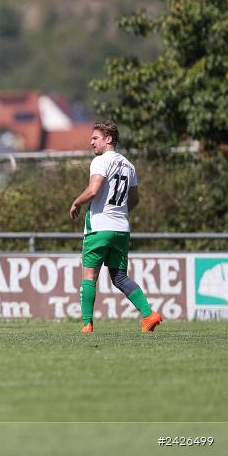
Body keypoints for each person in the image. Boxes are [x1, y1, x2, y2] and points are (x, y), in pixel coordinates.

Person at [69, 121, 162, 333]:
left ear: (108, 139)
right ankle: (149, 315)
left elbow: (93, 190)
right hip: (121, 228)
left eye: (95, 138)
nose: (91, 142)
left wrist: (76, 202)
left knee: (89, 276)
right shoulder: (129, 165)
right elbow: (135, 199)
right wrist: (119, 213)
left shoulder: (101, 161)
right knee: (119, 277)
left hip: (99, 227)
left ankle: (87, 324)